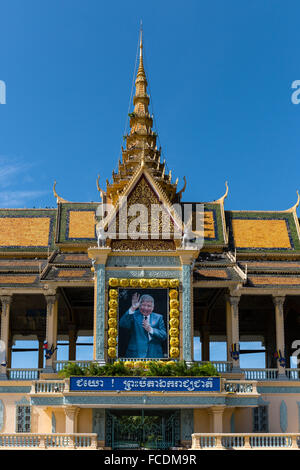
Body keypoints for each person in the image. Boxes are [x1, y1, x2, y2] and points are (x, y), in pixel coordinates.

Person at [119, 293, 167, 358]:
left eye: (149, 306)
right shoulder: (134, 315)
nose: (146, 308)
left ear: (153, 307)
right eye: (143, 305)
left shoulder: (158, 317)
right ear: (139, 305)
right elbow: (122, 324)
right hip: (135, 354)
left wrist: (151, 329)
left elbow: (164, 335)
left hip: (154, 354)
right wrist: (133, 308)